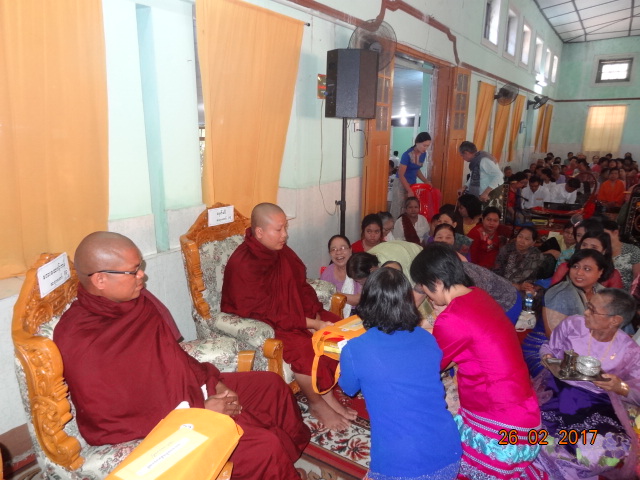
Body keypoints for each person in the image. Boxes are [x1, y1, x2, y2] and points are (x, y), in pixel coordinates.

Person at [54, 232, 310, 480]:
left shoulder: (137, 304)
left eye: (140, 266)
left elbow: (174, 355)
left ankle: (285, 465)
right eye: (133, 271)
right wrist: (201, 412)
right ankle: (276, 466)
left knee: (271, 386)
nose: (142, 275)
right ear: (100, 280)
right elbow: (109, 419)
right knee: (263, 446)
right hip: (166, 425)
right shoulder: (79, 338)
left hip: (189, 392)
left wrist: (213, 382)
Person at [410, 244, 545, 479]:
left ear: (437, 282)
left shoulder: (452, 318)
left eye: (425, 288)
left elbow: (431, 365)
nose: (427, 295)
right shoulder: (477, 294)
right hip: (524, 406)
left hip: (498, 415)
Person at [221, 203, 355, 431]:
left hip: (295, 311)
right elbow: (269, 311)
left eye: (286, 228)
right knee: (305, 349)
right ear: (259, 232)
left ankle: (327, 394)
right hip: (267, 322)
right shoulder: (244, 263)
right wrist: (312, 324)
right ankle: (316, 404)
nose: (285, 235)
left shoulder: (280, 250)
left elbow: (300, 284)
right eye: (279, 229)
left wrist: (314, 312)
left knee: (338, 330)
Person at [339, 267, 462, 480]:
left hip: (399, 465)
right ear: (407, 301)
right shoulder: (428, 339)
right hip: (450, 453)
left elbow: (348, 388)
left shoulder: (355, 348)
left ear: (367, 302)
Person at [534, 289, 640, 480]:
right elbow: (549, 348)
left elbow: (637, 391)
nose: (585, 312)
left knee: (609, 447)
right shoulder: (573, 325)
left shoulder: (629, 350)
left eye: (592, 310)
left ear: (614, 320)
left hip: (597, 402)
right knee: (537, 432)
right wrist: (548, 358)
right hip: (557, 389)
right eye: (588, 306)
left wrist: (620, 387)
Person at [433, 223, 522, 325]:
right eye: (439, 237)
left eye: (448, 237)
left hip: (506, 302)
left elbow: (466, 298)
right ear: (433, 239)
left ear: (454, 240)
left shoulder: (459, 261)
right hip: (484, 301)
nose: (444, 241)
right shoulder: (433, 258)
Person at [550, 230, 623, 288]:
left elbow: (617, 300)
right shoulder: (565, 267)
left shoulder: (612, 274)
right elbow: (552, 293)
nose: (587, 249)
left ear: (604, 251)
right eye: (584, 245)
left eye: (594, 247)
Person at [390, 132, 432, 219]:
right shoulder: (407, 155)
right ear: (417, 143)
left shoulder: (423, 154)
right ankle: (396, 226)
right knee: (399, 208)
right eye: (424, 145)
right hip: (401, 183)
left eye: (427, 146)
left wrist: (425, 181)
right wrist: (409, 190)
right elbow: (401, 174)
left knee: (410, 208)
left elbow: (417, 170)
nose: (426, 148)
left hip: (412, 184)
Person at [493, 226, 546, 295]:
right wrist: (515, 286)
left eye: (527, 239)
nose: (522, 241)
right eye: (520, 237)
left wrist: (522, 286)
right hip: (502, 284)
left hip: (525, 287)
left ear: (533, 242)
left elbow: (526, 277)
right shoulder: (506, 249)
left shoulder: (536, 256)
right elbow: (497, 271)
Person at [320, 235, 361, 317]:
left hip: (360, 314)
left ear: (350, 250)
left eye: (343, 248)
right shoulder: (327, 273)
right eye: (333, 249)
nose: (338, 252)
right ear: (330, 253)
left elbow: (359, 299)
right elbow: (323, 300)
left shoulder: (359, 268)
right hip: (335, 315)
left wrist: (334, 294)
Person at [603, 219, 640, 291]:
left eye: (605, 234)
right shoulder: (600, 250)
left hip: (626, 294)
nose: (602, 237)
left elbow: (637, 278)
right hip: (603, 292)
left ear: (615, 232)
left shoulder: (633, 250)